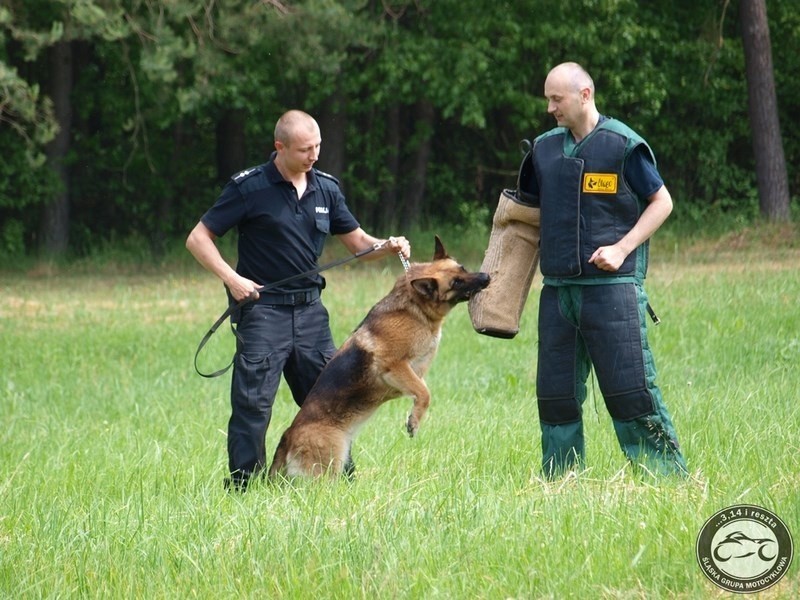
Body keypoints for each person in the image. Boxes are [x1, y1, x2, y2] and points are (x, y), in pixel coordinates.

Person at [186, 110, 411, 491]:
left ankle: (342, 479)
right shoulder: (249, 188)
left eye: (318, 146)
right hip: (263, 312)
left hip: (310, 314)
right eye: (305, 149)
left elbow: (357, 244)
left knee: (332, 401)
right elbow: (198, 238)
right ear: (280, 147)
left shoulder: (326, 189)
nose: (314, 155)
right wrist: (233, 278)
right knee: (253, 405)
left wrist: (386, 246)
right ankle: (245, 487)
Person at [519, 62, 688, 478]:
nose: (549, 108)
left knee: (630, 390)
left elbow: (661, 202)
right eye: (547, 99)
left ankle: (665, 480)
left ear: (585, 94)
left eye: (556, 99)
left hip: (612, 290)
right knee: (555, 395)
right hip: (557, 292)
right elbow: (520, 219)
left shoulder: (622, 144)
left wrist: (622, 247)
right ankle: (561, 483)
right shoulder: (542, 150)